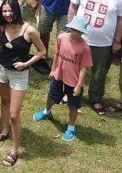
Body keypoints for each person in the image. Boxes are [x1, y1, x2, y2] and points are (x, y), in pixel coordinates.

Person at [0, 0, 46, 167]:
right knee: (4, 101)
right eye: (4, 11)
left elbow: (42, 51)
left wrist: (26, 64)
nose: (7, 14)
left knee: (14, 114)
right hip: (1, 69)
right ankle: (4, 132)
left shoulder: (29, 30)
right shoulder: (0, 24)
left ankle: (14, 151)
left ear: (17, 10)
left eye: (10, 11)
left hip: (19, 75)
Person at [68, 0, 122, 116]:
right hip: (80, 37)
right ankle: (70, 93)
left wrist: (117, 40)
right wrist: (71, 30)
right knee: (72, 67)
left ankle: (95, 98)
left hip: (104, 42)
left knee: (99, 72)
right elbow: (73, 7)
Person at [32, 14, 92, 142]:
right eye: (74, 29)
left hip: (73, 81)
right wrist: (53, 69)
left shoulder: (85, 48)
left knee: (73, 106)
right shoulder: (61, 38)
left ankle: (71, 127)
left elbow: (84, 68)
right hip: (58, 76)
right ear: (70, 28)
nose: (76, 33)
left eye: (79, 31)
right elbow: (57, 54)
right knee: (51, 97)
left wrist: (79, 85)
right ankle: (47, 112)